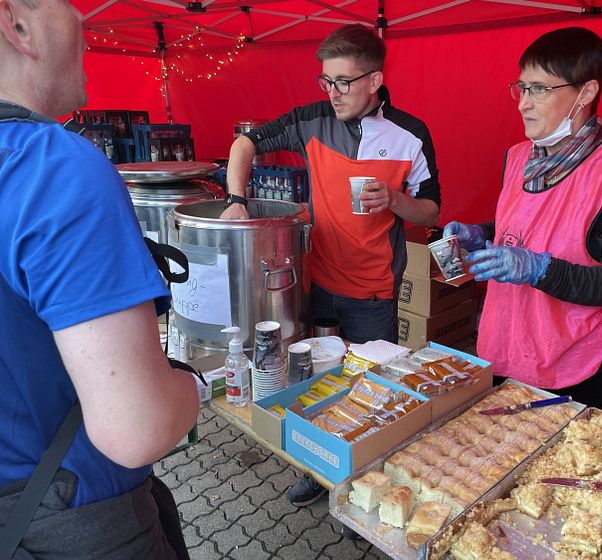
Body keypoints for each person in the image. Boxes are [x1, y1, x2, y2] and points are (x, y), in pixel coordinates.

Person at [0, 1, 199, 558]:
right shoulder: (53, 166)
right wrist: (193, 385)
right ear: (15, 23)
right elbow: (137, 429)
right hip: (75, 521)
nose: (83, 22)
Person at [221, 24, 441, 505]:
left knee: (368, 392)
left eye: (343, 81)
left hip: (374, 294)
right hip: (317, 286)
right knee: (313, 386)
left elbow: (433, 211)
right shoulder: (311, 120)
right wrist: (236, 198)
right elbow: (245, 143)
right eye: (325, 80)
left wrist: (397, 202)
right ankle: (314, 469)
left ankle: (364, 477)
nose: (332, 92)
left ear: (374, 80)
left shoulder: (411, 135)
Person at [445, 27, 602, 409]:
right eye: (521, 88)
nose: (523, 104)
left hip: (574, 366)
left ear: (586, 93)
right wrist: (481, 233)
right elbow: (523, 226)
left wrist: (541, 270)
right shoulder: (516, 157)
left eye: (539, 89)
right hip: (504, 348)